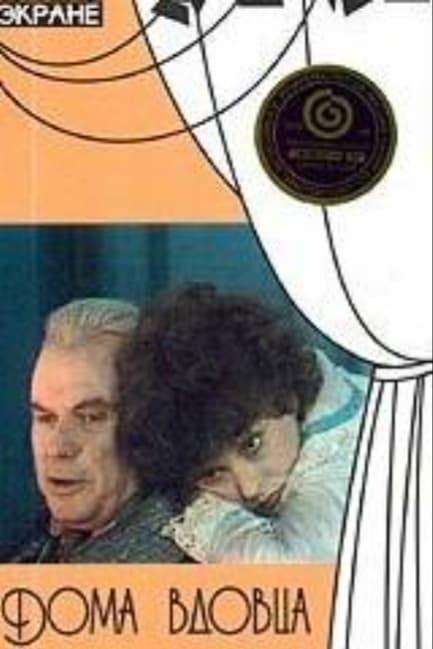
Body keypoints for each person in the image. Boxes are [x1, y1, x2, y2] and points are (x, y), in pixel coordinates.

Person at [117, 284, 369, 563]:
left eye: (252, 445)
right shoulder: (323, 401)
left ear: (285, 391)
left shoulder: (342, 457)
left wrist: (207, 516)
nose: (250, 488)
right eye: (213, 473)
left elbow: (289, 573)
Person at [13, 298, 188, 563]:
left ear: (150, 423)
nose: (57, 448)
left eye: (90, 418)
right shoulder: (33, 554)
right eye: (45, 418)